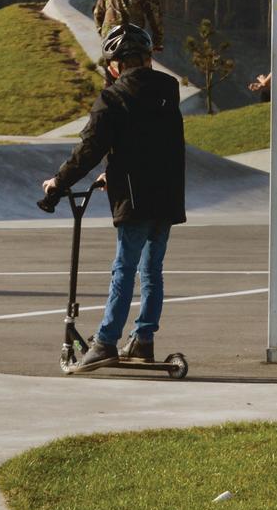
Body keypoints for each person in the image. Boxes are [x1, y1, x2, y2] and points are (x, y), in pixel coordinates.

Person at [42, 23, 186, 373]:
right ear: (148, 58)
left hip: (135, 200)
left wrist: (58, 184)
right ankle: (143, 340)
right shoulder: (168, 89)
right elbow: (152, 141)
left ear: (115, 65)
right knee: (151, 272)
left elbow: (89, 150)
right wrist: (115, 171)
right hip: (167, 196)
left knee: (124, 270)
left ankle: (106, 341)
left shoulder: (113, 98)